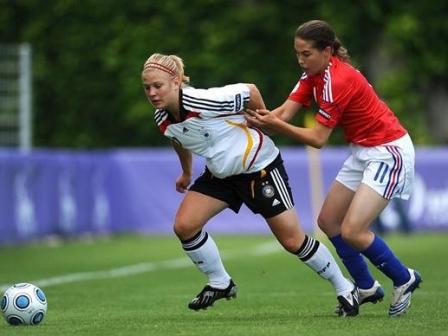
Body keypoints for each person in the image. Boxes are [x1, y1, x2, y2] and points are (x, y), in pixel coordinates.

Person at [141, 52, 359, 316]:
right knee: (184, 226)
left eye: (157, 86)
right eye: (147, 87)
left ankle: (345, 287)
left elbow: (250, 91)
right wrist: (186, 172)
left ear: (176, 81)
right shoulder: (162, 118)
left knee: (292, 241)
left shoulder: (203, 100)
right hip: (221, 175)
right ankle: (220, 282)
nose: (152, 93)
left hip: (259, 168)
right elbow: (178, 139)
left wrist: (263, 122)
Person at [245, 20, 421, 317]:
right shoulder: (312, 74)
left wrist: (273, 125)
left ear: (327, 51)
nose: (301, 60)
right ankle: (366, 287)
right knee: (328, 221)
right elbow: (285, 112)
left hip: (389, 151)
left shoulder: (337, 81)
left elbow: (318, 139)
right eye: (297, 54)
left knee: (353, 230)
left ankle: (405, 278)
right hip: (363, 150)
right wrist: (251, 123)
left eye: (306, 54)